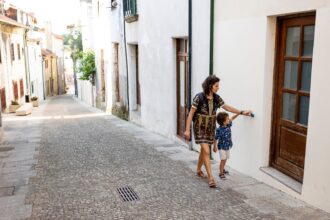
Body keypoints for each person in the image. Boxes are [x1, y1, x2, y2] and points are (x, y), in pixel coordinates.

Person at [184, 75, 251, 188]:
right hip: (199, 127)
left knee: (204, 150)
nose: (218, 88)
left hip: (210, 128)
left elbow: (227, 108)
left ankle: (199, 169)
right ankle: (210, 177)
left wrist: (241, 112)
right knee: (206, 150)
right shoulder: (198, 97)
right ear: (210, 86)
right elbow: (191, 113)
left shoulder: (216, 98)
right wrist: (187, 130)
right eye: (216, 86)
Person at [213, 111, 250, 180]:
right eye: (227, 119)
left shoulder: (228, 125)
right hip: (221, 147)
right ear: (224, 122)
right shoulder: (219, 130)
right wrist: (214, 146)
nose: (229, 119)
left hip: (227, 146)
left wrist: (239, 113)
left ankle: (223, 169)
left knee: (226, 158)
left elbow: (232, 118)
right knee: (223, 159)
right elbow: (215, 138)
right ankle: (221, 173)